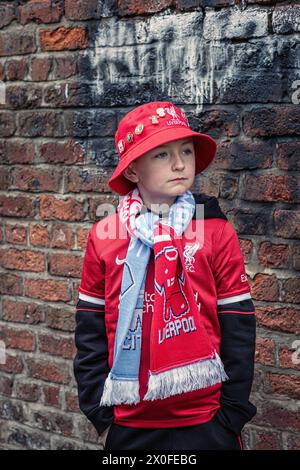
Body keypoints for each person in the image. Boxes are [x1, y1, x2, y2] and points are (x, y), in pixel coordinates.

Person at [73, 101, 257, 451]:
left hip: (206, 420)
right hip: (128, 422)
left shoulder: (215, 230)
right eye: (161, 155)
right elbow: (90, 332)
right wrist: (101, 418)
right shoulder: (104, 235)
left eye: (186, 151)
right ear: (132, 170)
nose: (179, 163)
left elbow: (239, 326)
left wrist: (229, 416)